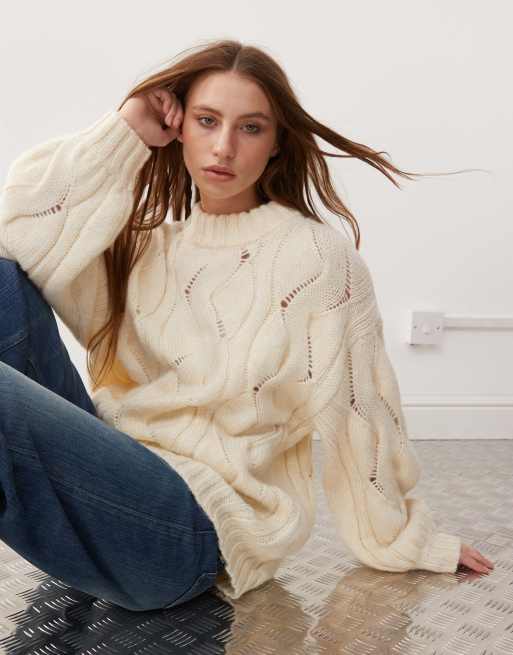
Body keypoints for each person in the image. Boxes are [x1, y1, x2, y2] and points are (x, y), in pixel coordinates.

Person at [0, 39, 494, 612]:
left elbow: (360, 414)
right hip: (111, 473)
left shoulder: (315, 260)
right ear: (179, 127)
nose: (224, 147)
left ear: (277, 141)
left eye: (251, 128)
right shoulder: (142, 245)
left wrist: (408, 539)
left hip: (190, 530)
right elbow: (15, 234)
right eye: (207, 121)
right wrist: (125, 130)